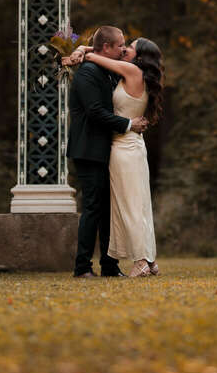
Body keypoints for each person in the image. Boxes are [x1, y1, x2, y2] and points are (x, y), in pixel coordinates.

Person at [69, 35, 164, 278]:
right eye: (121, 45)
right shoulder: (133, 74)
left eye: (128, 47)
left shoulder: (131, 71)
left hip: (125, 147)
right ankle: (148, 260)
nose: (124, 50)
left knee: (130, 206)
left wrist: (82, 51)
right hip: (128, 145)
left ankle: (141, 260)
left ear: (138, 56)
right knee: (138, 205)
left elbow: (96, 55)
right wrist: (82, 47)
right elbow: (103, 53)